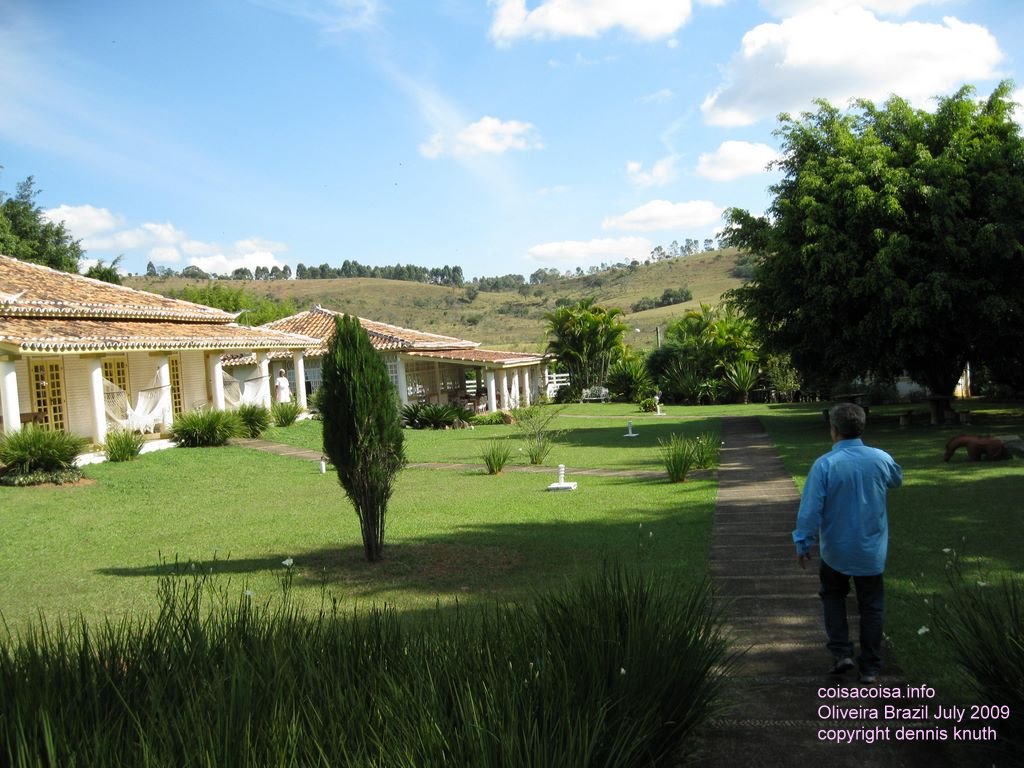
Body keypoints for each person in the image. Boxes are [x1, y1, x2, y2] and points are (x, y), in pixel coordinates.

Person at [793, 402, 902, 684]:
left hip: (836, 550)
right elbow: (896, 479)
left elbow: (810, 509)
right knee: (871, 607)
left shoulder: (825, 465)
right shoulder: (880, 458)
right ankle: (871, 666)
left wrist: (803, 541)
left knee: (832, 596)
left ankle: (841, 652)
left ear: (834, 431)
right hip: (871, 550)